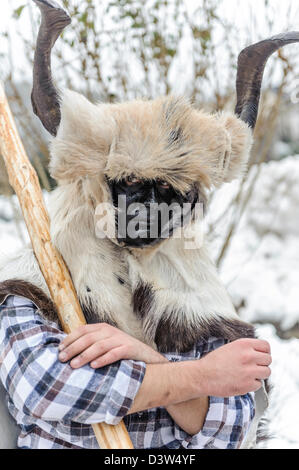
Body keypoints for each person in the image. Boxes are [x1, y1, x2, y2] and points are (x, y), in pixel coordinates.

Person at [0, 294, 271, 449]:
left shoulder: (196, 300)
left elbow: (228, 434)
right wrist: (199, 377)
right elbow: (44, 387)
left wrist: (146, 356)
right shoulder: (31, 286)